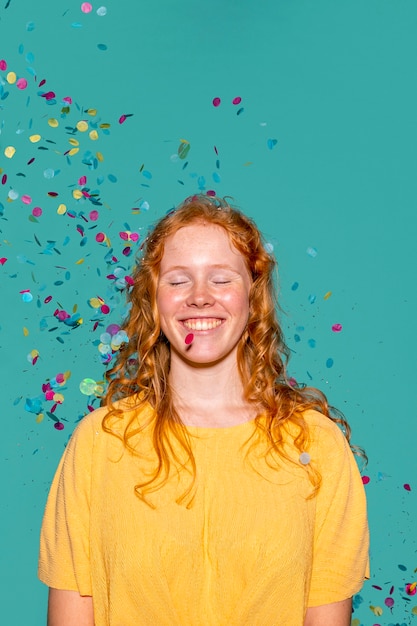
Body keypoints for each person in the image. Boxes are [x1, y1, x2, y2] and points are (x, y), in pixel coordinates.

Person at [38, 194, 369, 626]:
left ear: (254, 297)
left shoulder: (316, 446)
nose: (199, 298)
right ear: (154, 301)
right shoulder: (99, 444)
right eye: (178, 281)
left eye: (221, 279)